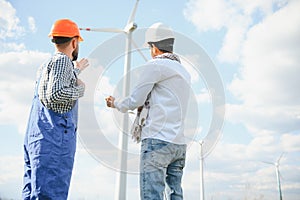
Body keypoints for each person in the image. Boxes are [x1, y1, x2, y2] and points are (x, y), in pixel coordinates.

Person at [106, 22, 191, 200]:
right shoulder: (184, 71)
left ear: (154, 47)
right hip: (179, 144)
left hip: (157, 141)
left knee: (152, 196)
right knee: (175, 195)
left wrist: (116, 103)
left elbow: (135, 100)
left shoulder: (155, 65)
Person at [22, 19, 89, 199]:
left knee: (32, 192)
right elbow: (56, 94)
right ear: (74, 42)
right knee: (51, 193)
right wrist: (81, 89)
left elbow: (53, 86)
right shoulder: (62, 61)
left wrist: (76, 70)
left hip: (37, 137)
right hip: (54, 139)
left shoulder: (45, 66)